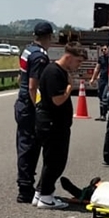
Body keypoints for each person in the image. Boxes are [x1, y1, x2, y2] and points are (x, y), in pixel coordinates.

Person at [34, 44, 87, 209]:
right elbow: (57, 100)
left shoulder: (61, 71)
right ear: (68, 57)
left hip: (56, 123)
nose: (78, 65)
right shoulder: (54, 72)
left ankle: (40, 192)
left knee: (52, 160)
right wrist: (70, 87)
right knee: (56, 161)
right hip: (52, 123)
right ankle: (46, 197)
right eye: (78, 61)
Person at [14, 21, 54, 204]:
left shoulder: (28, 50)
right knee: (30, 147)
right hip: (29, 106)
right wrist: (38, 107)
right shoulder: (40, 56)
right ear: (49, 37)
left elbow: (20, 76)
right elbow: (33, 86)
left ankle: (25, 185)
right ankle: (25, 188)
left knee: (24, 144)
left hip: (21, 103)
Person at [89, 45, 109, 121]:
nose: (103, 51)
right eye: (102, 50)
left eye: (105, 49)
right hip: (102, 79)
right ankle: (101, 115)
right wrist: (93, 79)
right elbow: (97, 68)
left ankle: (104, 114)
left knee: (105, 96)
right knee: (100, 96)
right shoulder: (101, 58)